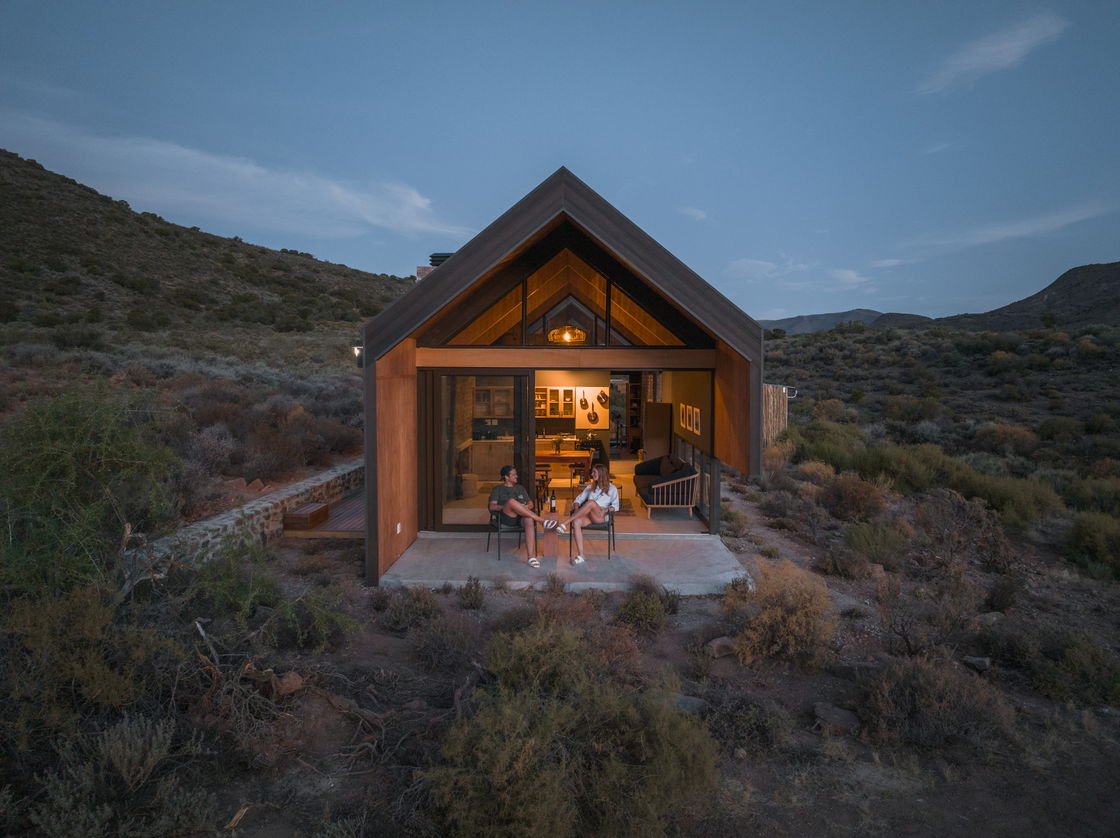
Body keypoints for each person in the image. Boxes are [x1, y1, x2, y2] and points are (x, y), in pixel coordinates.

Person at [488, 465, 555, 568]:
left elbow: (531, 504)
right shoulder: (498, 489)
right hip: (507, 517)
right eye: (514, 474)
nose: (517, 476)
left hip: (521, 518)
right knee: (511, 501)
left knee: (529, 519)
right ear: (506, 477)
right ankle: (541, 521)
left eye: (516, 474)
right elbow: (492, 507)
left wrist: (523, 507)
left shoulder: (520, 488)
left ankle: (531, 557)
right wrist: (509, 506)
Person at [556, 464, 619, 565]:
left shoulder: (612, 489)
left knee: (590, 503)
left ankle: (565, 523)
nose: (591, 474)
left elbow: (616, 506)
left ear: (601, 474)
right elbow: (577, 500)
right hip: (589, 516)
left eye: (594, 472)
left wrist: (606, 510)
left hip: (601, 516)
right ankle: (581, 555)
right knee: (576, 522)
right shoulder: (590, 487)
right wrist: (576, 509)